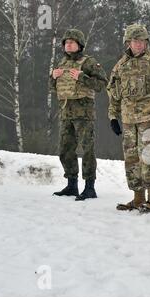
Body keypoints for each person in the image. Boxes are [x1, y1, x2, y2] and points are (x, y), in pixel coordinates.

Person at [107, 24, 150, 213]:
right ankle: (137, 198)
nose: (137, 45)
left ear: (146, 42)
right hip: (128, 120)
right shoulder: (121, 65)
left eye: (141, 41)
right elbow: (113, 92)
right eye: (134, 41)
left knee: (148, 158)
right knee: (131, 159)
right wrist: (113, 116)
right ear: (128, 42)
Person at [50, 29, 108, 201]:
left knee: (87, 150)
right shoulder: (61, 62)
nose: (68, 44)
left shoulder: (89, 62)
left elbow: (101, 85)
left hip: (83, 113)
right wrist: (53, 77)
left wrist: (83, 77)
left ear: (79, 45)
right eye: (66, 42)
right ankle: (71, 185)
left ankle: (90, 188)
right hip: (66, 112)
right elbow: (54, 88)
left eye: (72, 42)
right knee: (65, 149)